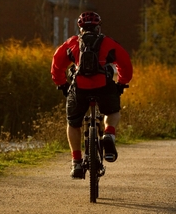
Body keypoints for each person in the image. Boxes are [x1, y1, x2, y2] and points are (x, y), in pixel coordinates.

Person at [51, 11, 133, 179]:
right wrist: (122, 83)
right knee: (112, 112)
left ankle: (77, 163)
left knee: (73, 123)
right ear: (98, 27)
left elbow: (57, 65)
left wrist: (62, 85)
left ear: (80, 27)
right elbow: (125, 64)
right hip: (104, 88)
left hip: (80, 90)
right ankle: (109, 134)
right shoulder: (108, 42)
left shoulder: (72, 43)